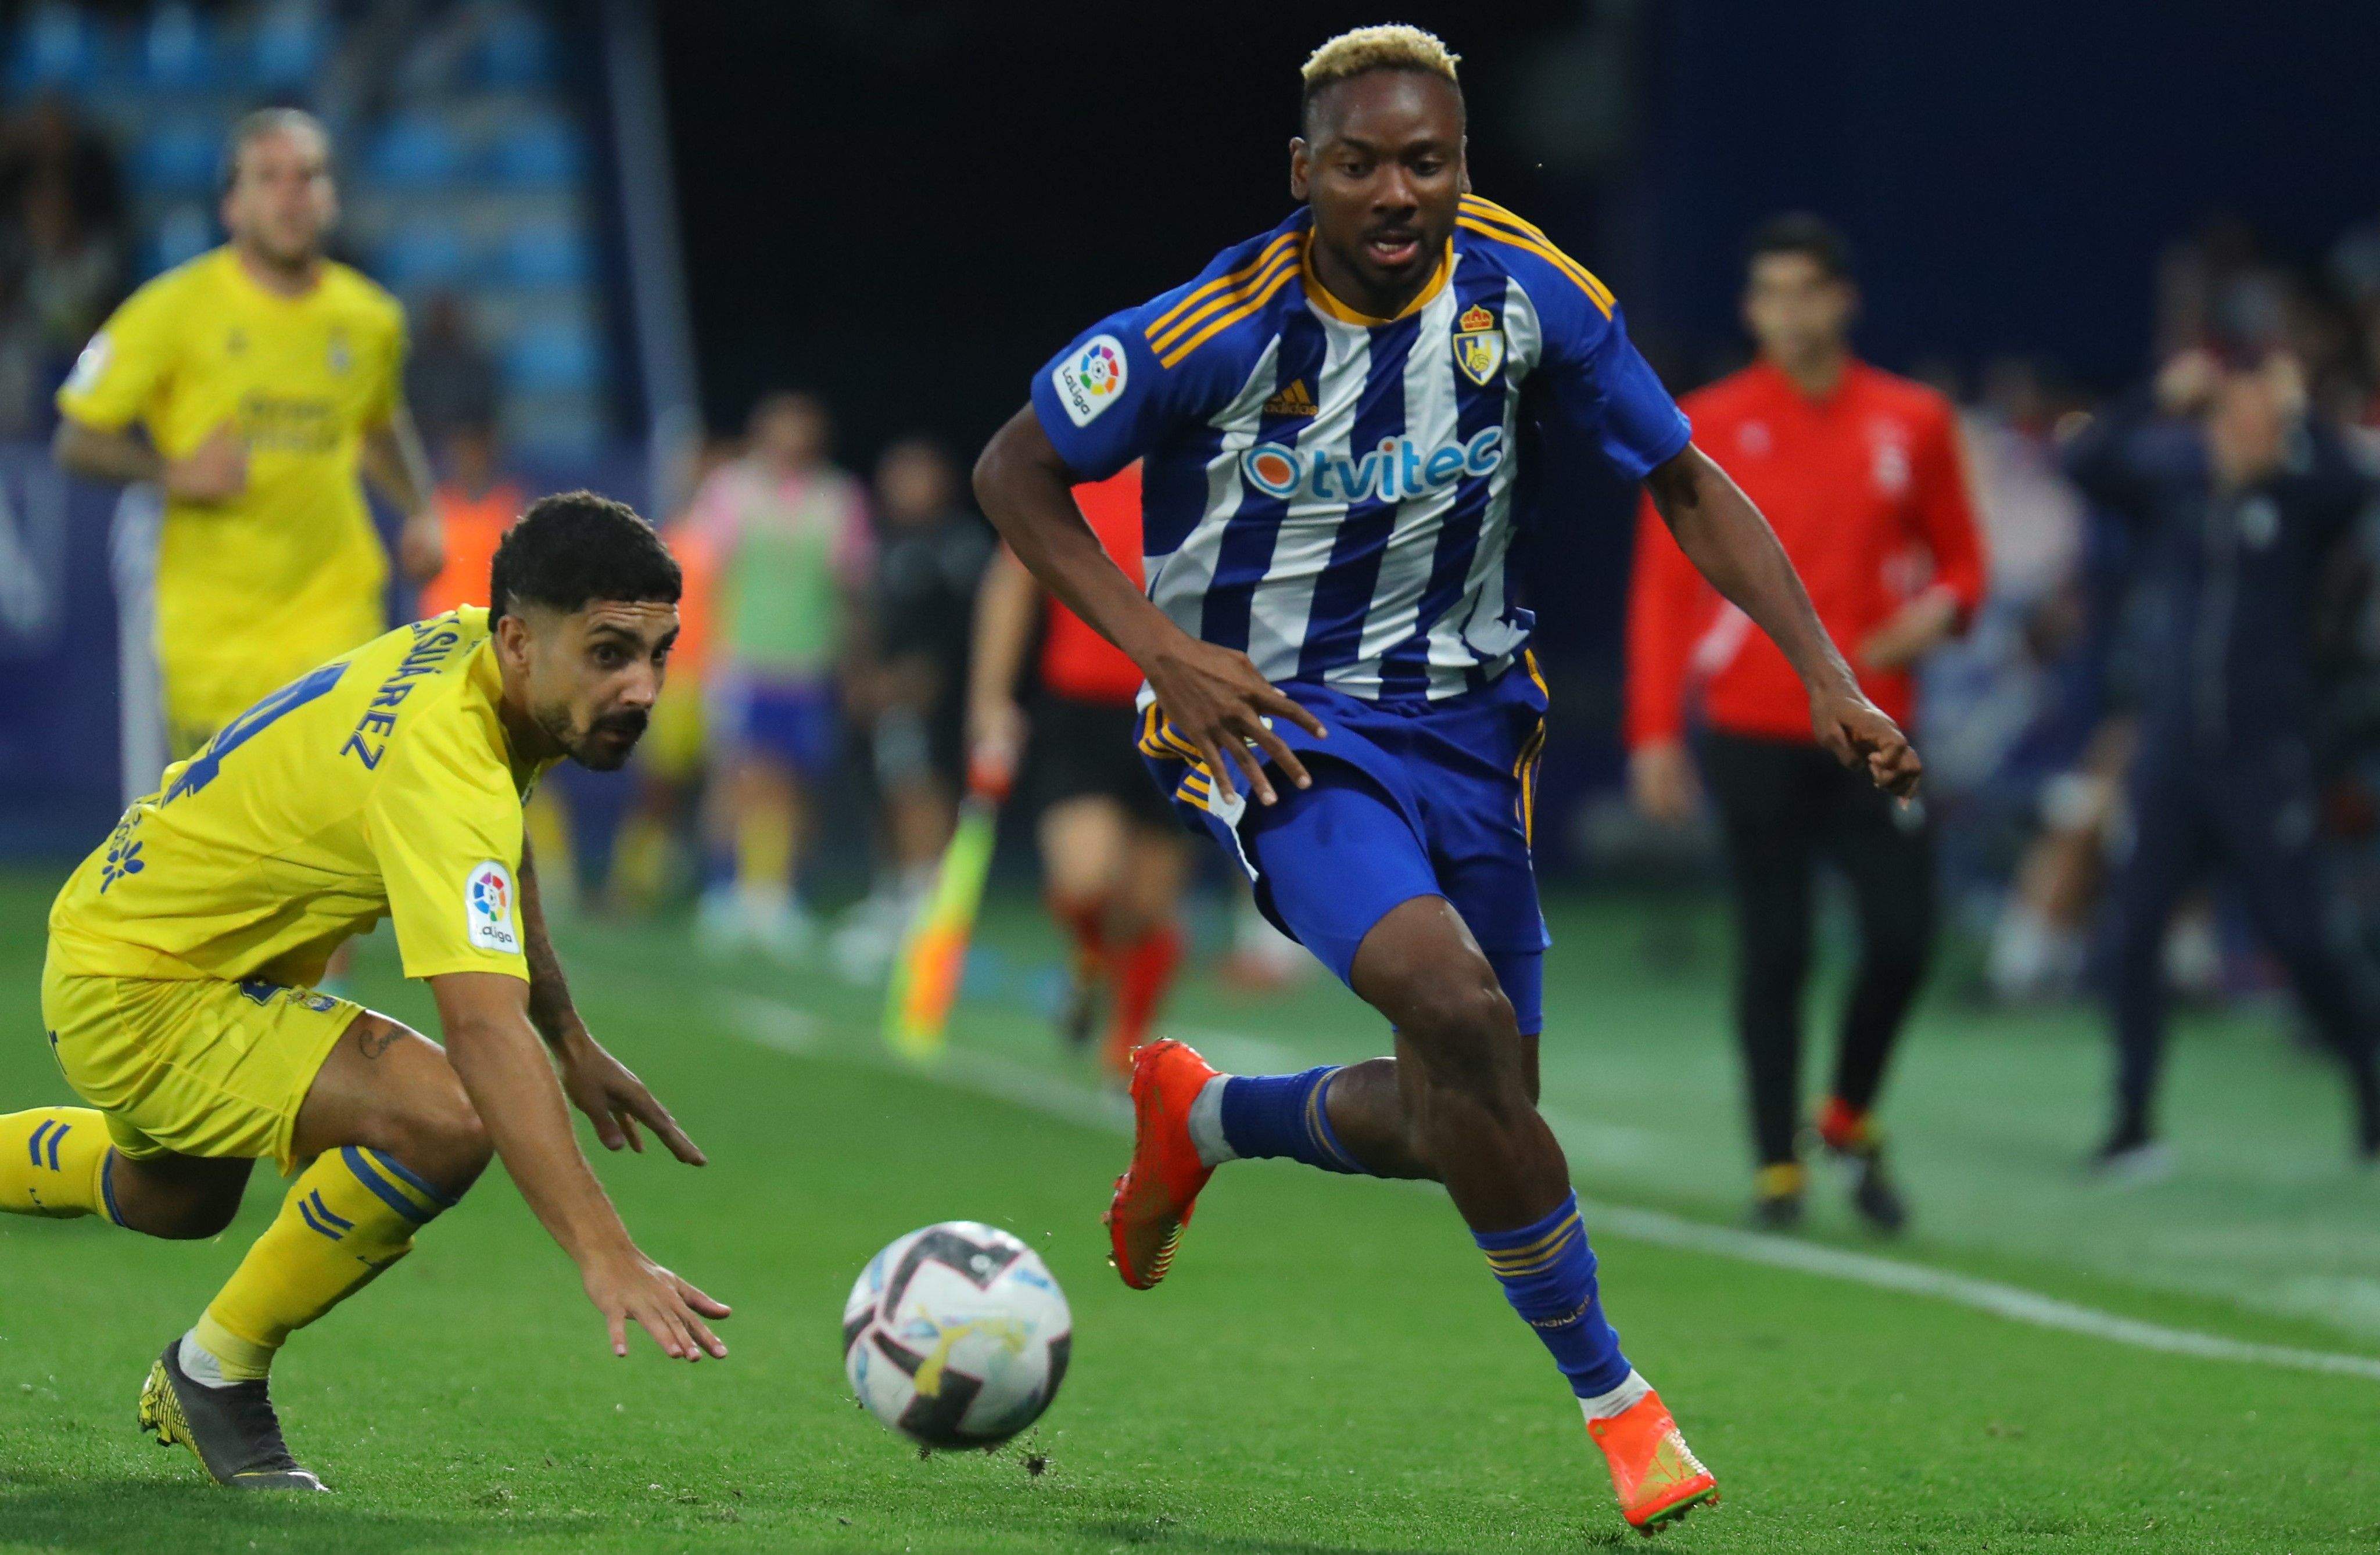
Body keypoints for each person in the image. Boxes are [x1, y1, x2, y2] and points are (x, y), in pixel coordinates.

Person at [972, 26, 1917, 1534]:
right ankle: (1626, 1407)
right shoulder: (1214, 323)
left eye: (1427, 159)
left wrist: (1824, 669)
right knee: (1459, 1009)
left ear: (1462, 162)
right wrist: (1163, 651)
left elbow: (1681, 476)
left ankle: (1207, 1118)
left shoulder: (1528, 288)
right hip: (1279, 729)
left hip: (1474, 728)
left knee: (1469, 1112)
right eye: (1359, 163)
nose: (1396, 189)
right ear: (1306, 173)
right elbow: (1015, 467)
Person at [0, 493, 727, 1491]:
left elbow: (493, 845)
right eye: (610, 652)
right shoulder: (444, 755)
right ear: (521, 639)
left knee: (170, 1199)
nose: (644, 687)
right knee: (446, 1115)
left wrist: (568, 1033)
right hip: (149, 986)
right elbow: (477, 1025)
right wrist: (606, 1251)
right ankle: (213, 1373)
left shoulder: (472, 653)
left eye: (660, 651)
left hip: (140, 937)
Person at [1623, 215, 1986, 1232]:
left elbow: (1964, 560)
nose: (1786, 312)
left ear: (1840, 299)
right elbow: (1664, 592)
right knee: (1775, 949)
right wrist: (1655, 732)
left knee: (1904, 938)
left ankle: (1846, 1112)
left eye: (1804, 291)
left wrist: (1942, 613)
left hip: (1876, 728)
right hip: (1752, 720)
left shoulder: (1910, 421)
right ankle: (1773, 1163)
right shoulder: (1703, 424)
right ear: (1750, 310)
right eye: (1768, 293)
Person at [2070, 347, 2380, 1173]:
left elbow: (2357, 484)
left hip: (2263, 760)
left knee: (2303, 940)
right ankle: (2132, 1119)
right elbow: (2087, 460)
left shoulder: (2304, 505)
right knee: (2133, 934)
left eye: (2262, 421)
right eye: (2234, 416)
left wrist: (2299, 402)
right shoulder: (2173, 496)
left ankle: (2371, 1085)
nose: (2248, 433)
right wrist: (2156, 393)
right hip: (2172, 758)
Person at [52, 107, 442, 763]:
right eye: (269, 177)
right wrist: (176, 473)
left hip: (335, 614)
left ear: (331, 199)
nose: (291, 194)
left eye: (308, 176)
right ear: (232, 205)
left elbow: (377, 425)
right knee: (236, 855)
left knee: (337, 839)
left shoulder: (369, 318)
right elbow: (77, 439)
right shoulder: (171, 309)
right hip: (218, 640)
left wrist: (421, 509)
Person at [969, 461, 1192, 1074]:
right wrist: (990, 701)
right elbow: (1011, 584)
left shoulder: (1213, 477)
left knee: (1149, 906)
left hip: (1182, 709)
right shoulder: (1075, 479)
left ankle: (1126, 1047)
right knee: (1086, 879)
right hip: (1082, 712)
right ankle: (1090, 960)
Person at [683, 392, 872, 957]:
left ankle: (776, 893)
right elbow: (702, 577)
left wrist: (854, 660)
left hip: (807, 662)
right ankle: (724, 892)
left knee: (792, 781)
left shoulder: (838, 498)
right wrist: (694, 655)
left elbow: (850, 589)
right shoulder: (730, 490)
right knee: (736, 775)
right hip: (741, 657)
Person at [832, 436, 994, 974]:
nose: (905, 486)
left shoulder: (960, 544)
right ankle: (899, 889)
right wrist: (862, 672)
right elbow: (869, 614)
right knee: (891, 780)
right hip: (886, 689)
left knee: (924, 783)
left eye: (917, 474)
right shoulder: (884, 540)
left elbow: (963, 627)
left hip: (939, 694)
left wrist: (928, 677)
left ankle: (929, 901)